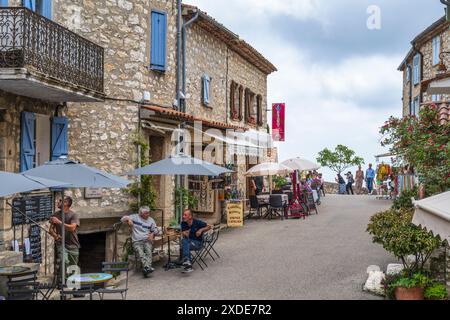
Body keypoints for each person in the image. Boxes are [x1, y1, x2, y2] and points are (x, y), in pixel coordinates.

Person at [121, 206, 160, 278]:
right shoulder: (135, 217)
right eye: (146, 213)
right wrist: (129, 219)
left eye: (148, 213)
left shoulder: (151, 220)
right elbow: (122, 219)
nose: (148, 214)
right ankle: (147, 268)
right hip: (137, 240)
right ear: (140, 214)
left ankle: (146, 268)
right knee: (140, 253)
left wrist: (153, 234)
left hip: (147, 240)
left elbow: (156, 230)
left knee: (149, 252)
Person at [49, 196, 80, 284]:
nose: (57, 202)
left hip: (73, 244)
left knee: (73, 266)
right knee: (64, 260)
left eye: (60, 201)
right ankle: (62, 284)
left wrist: (59, 222)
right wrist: (56, 236)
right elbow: (50, 230)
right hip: (61, 243)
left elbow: (72, 228)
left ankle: (75, 289)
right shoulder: (55, 214)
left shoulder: (74, 215)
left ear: (66, 203)